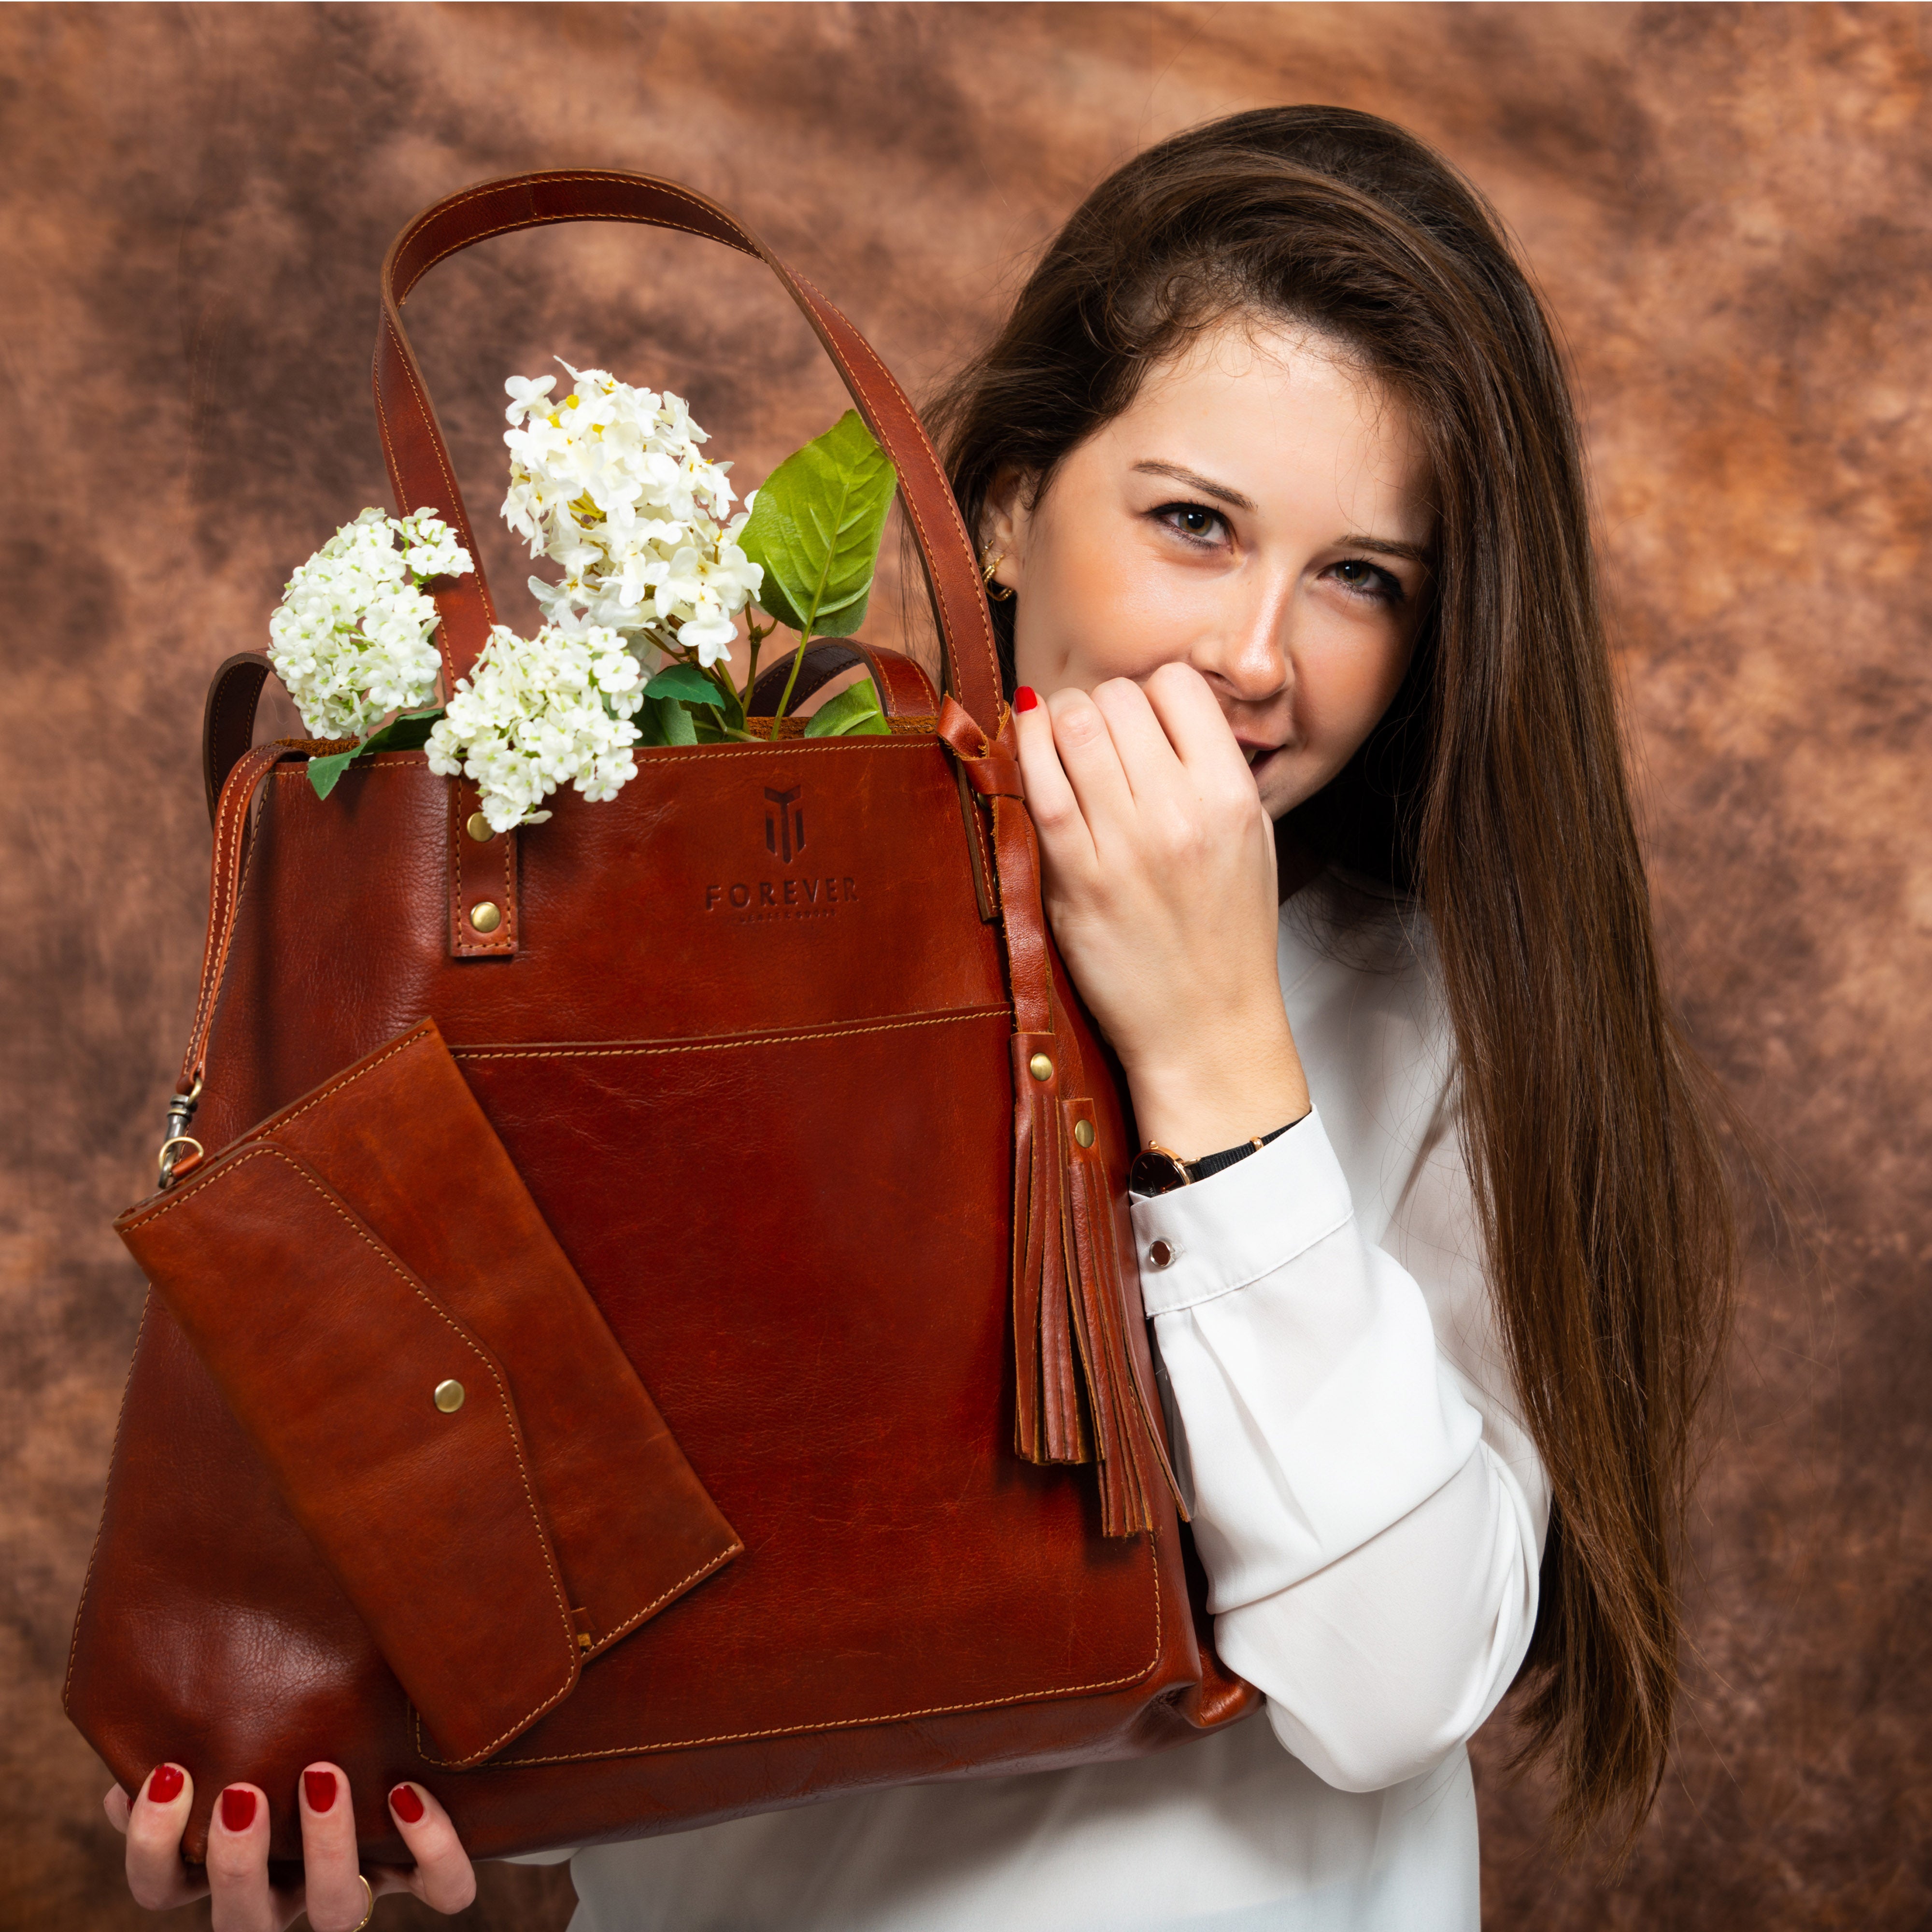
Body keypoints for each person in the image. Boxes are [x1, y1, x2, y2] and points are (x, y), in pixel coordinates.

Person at [106, 105, 1733, 1932]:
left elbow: (1397, 1689)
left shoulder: (1448, 1014)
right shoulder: (679, 940)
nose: (1263, 655)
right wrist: (396, 1767)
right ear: (1015, 505)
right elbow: (650, 1649)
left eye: (1365, 576)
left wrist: (1219, 1063)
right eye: (1194, 524)